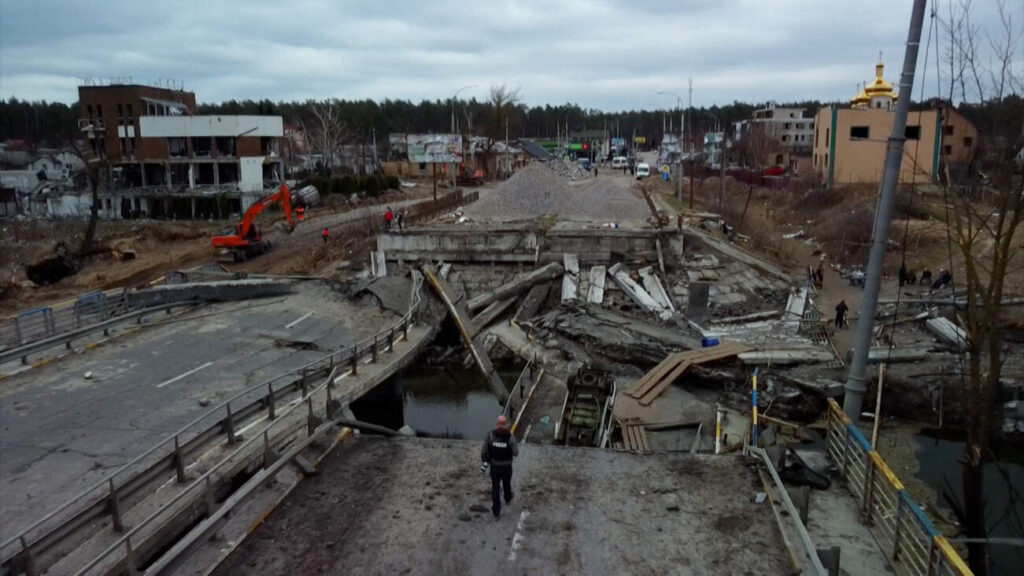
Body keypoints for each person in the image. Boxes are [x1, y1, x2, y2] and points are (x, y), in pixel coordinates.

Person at [481, 415, 519, 518]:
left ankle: (496, 511)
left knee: (495, 488)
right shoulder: (510, 437)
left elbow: (484, 451)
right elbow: (516, 453)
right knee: (507, 484)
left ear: (496, 424)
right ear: (506, 425)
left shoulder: (490, 436)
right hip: (507, 467)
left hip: (495, 467)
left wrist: (485, 462)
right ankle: (507, 498)